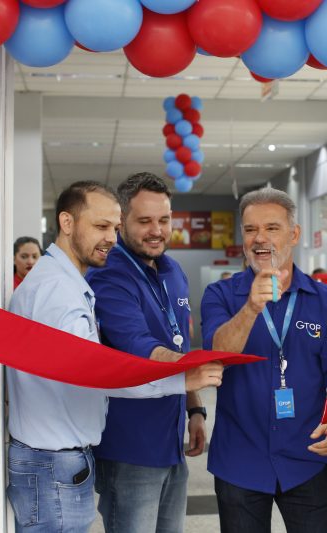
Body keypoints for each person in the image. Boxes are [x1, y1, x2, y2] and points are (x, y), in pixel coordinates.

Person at [6, 181, 224, 533]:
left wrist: (190, 400)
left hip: (60, 460)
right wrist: (181, 379)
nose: (110, 237)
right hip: (54, 461)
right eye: (101, 226)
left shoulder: (68, 283)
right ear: (66, 222)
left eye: (114, 227)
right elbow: (100, 374)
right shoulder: (57, 292)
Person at [201, 186, 327, 533]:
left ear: (294, 234)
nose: (260, 238)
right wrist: (251, 308)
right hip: (239, 459)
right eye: (250, 229)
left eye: (271, 228)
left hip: (308, 455)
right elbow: (216, 353)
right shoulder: (221, 296)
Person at [84, 173, 206, 533]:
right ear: (122, 222)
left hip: (171, 443)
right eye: (144, 221)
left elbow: (178, 341)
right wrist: (192, 372)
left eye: (164, 220)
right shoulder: (108, 275)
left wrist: (194, 407)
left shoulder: (172, 270)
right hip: (129, 449)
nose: (157, 230)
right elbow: (139, 347)